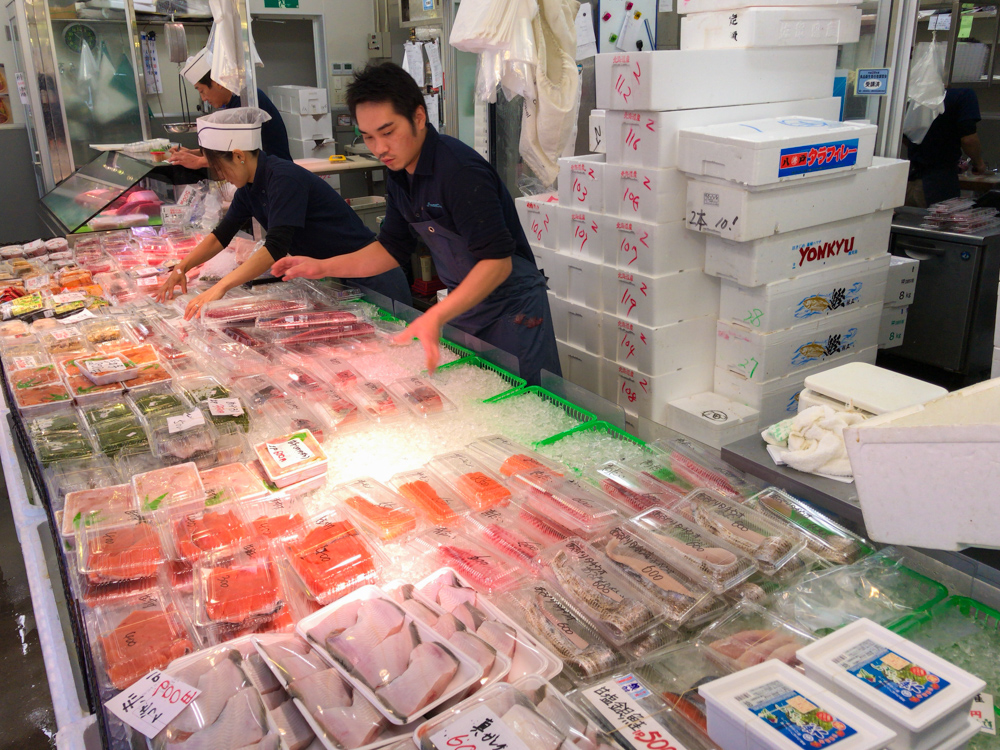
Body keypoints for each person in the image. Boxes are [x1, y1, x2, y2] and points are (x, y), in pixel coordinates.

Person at [272, 62, 561, 386]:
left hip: (514, 310)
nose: (379, 148)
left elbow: (497, 264)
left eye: (388, 132)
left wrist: (435, 315)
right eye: (368, 137)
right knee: (481, 395)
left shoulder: (459, 171)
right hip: (465, 307)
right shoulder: (399, 174)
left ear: (419, 117)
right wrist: (323, 266)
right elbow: (391, 249)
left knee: (531, 401)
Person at [155, 107, 412, 317]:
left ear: (239, 156)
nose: (221, 176)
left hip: (373, 277)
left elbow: (275, 247)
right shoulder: (249, 188)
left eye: (220, 169)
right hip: (337, 277)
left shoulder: (283, 178)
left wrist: (222, 287)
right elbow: (221, 235)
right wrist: (181, 268)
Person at [169, 47, 292, 169]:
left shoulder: (247, 100)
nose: (203, 98)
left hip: (276, 172)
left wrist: (198, 161)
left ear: (217, 83)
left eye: (202, 91)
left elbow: (239, 156)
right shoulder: (233, 103)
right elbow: (227, 151)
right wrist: (192, 153)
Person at [905, 87, 988, 207]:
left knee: (908, 217)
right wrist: (979, 163)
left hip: (909, 181)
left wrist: (923, 150)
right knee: (938, 218)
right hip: (939, 183)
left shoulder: (913, 97)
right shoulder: (963, 95)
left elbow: (906, 136)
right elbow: (969, 140)